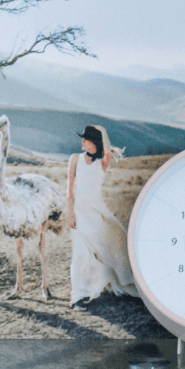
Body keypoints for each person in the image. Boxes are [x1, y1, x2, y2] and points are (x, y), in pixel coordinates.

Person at [68, 124, 138, 304]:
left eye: (87, 139)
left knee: (102, 251)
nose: (83, 141)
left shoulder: (102, 163)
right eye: (82, 138)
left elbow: (107, 151)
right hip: (79, 211)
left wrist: (104, 131)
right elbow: (70, 189)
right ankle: (77, 295)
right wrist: (70, 213)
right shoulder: (74, 159)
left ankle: (101, 284)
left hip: (96, 212)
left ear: (96, 143)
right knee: (80, 252)